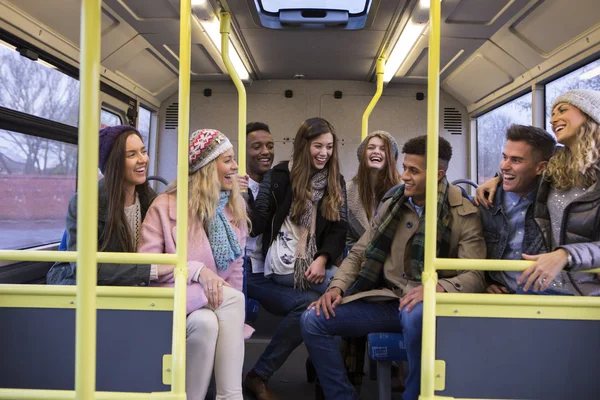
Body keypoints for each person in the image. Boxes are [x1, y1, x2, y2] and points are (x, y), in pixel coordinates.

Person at [301, 135, 486, 400]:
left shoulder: (463, 213)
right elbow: (359, 252)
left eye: (414, 171)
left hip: (428, 305)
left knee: (415, 314)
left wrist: (436, 288)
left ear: (438, 174)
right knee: (312, 320)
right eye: (405, 168)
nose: (405, 176)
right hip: (386, 300)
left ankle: (415, 395)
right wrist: (337, 287)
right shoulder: (393, 203)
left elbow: (475, 275)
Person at [138, 129, 249, 400]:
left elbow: (235, 270)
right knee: (233, 300)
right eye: (228, 160)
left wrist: (230, 318)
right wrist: (196, 272)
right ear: (207, 167)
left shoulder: (232, 209)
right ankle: (231, 396)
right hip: (170, 299)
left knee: (208, 323)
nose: (235, 167)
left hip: (209, 306)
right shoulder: (164, 208)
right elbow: (147, 268)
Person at [244, 117, 348, 400]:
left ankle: (262, 374)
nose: (323, 153)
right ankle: (335, 387)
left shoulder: (335, 180)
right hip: (278, 266)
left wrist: (323, 258)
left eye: (328, 147)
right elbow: (259, 223)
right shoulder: (279, 176)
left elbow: (340, 228)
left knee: (317, 307)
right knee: (337, 294)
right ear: (304, 146)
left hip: (313, 263)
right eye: (317, 146)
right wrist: (241, 196)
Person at [476, 89, 600, 295]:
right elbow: (524, 168)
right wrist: (497, 180)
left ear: (591, 114)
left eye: (562, 110)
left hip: (587, 291)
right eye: (551, 114)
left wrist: (564, 255)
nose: (554, 119)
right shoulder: (556, 167)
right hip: (546, 286)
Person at [46, 125, 163, 285]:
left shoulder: (151, 201)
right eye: (131, 155)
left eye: (143, 151)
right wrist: (151, 270)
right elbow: (86, 269)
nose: (143, 159)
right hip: (91, 291)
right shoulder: (85, 203)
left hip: (131, 286)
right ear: (114, 163)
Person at [479, 125, 558, 294]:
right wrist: (484, 281)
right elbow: (470, 253)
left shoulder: (556, 201)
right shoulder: (485, 202)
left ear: (541, 168)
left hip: (546, 299)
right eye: (504, 157)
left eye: (516, 160)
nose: (504, 166)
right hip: (502, 297)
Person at [346, 130, 401, 249]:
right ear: (363, 155)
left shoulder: (402, 190)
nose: (376, 151)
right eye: (371, 147)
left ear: (391, 157)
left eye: (382, 149)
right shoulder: (348, 190)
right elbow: (348, 236)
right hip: (360, 259)